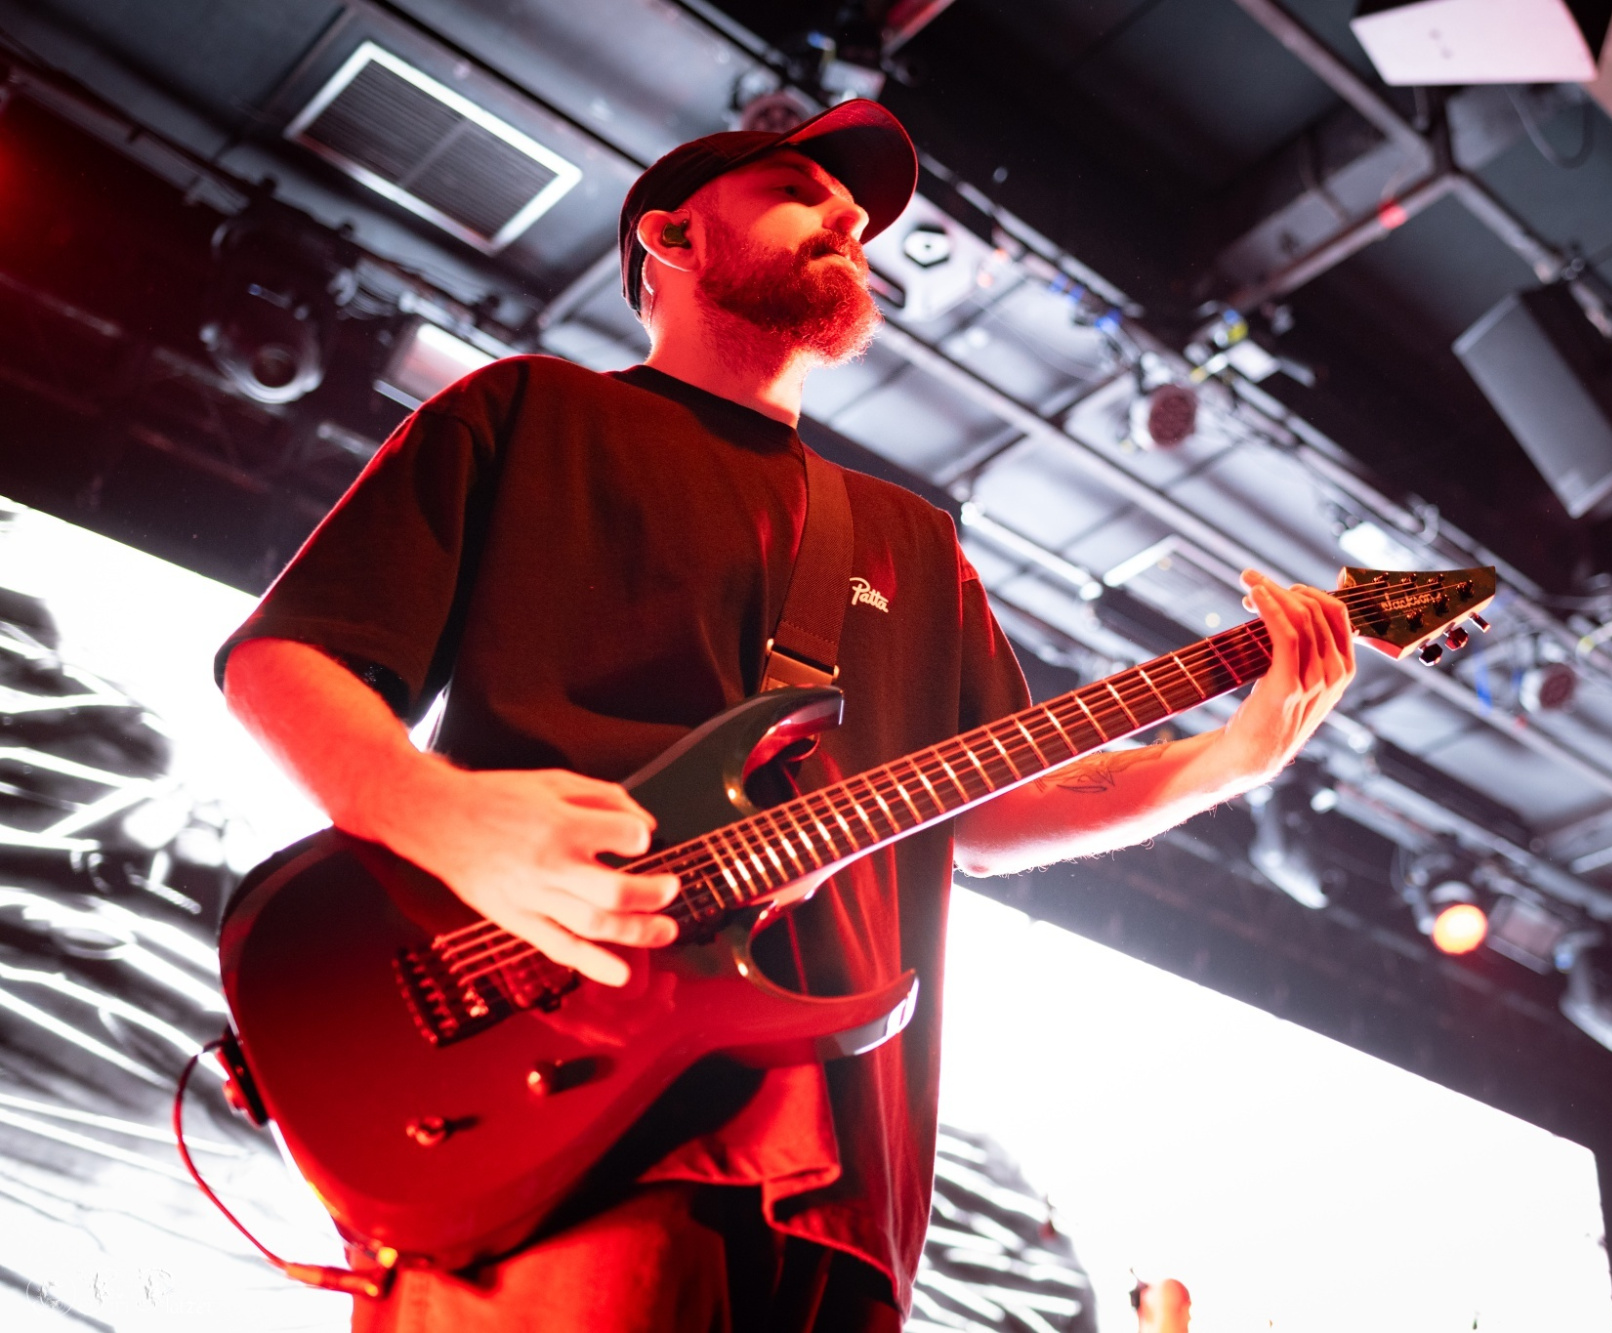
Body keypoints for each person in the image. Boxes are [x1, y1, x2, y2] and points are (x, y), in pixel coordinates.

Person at [219, 99, 1354, 1333]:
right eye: (799, 191)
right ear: (672, 236)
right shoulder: (530, 411)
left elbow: (995, 807)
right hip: (563, 1115)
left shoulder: (911, 540)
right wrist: (439, 816)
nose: (848, 219)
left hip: (850, 1180)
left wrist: (1226, 760)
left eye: (856, 214)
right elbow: (285, 661)